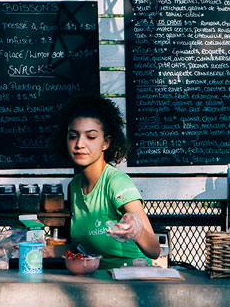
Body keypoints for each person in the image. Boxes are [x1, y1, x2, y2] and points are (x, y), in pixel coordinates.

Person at [51, 94, 160, 270]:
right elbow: (80, 249)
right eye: (73, 136)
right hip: (93, 281)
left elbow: (155, 250)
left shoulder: (116, 182)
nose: (79, 144)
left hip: (128, 280)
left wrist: (136, 232)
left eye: (91, 137)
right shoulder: (75, 186)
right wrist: (35, 250)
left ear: (106, 143)